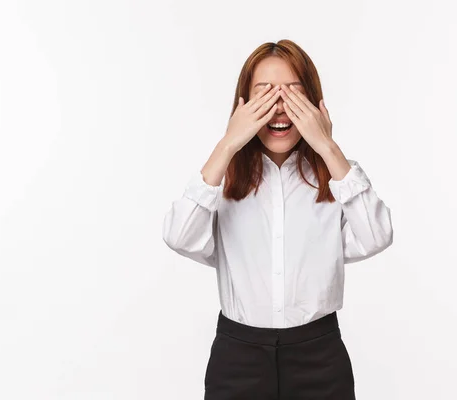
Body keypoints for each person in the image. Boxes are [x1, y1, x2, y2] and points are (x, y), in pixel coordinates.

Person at [162, 39, 394, 400]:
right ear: (243, 106)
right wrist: (226, 145)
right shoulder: (220, 183)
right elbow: (179, 236)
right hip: (238, 357)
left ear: (315, 105)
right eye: (264, 95)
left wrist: (329, 148)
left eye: (293, 94)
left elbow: (377, 235)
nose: (279, 108)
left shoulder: (337, 180)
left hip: (320, 357)